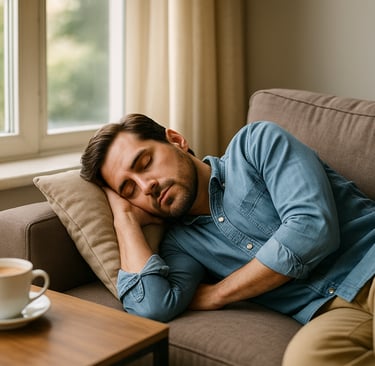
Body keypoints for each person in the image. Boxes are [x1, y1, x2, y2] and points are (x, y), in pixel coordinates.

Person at [80, 113, 375, 365]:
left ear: (176, 139)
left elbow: (312, 230)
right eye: (129, 189)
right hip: (329, 313)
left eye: (145, 162)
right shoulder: (180, 244)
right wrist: (125, 219)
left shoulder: (255, 144)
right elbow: (153, 305)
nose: (147, 186)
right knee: (307, 358)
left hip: (369, 264)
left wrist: (218, 293)